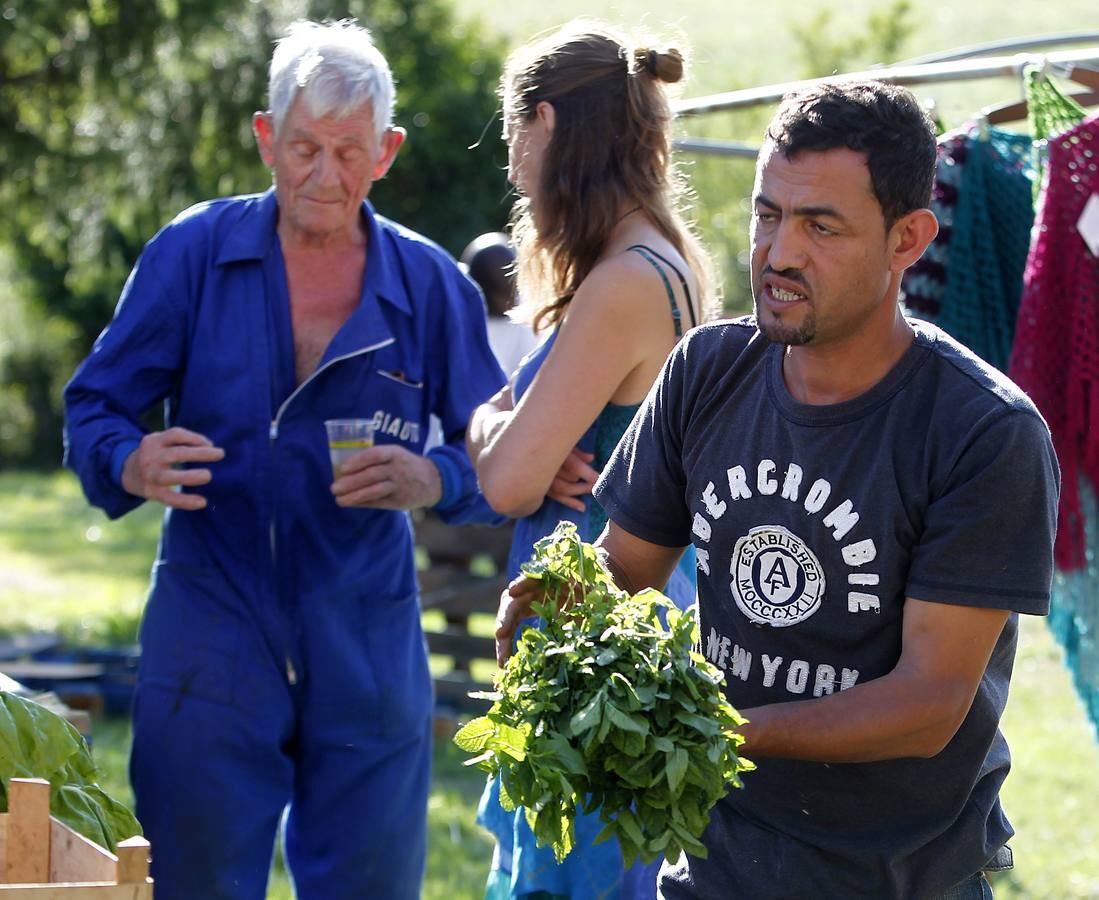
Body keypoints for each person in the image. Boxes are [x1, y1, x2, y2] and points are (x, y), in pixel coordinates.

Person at [496, 81, 1061, 899]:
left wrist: (720, 732)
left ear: (907, 238)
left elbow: (929, 700)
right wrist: (564, 591)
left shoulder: (982, 431)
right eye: (767, 215)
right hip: (719, 850)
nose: (778, 252)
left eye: (820, 226)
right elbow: (626, 570)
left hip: (898, 874)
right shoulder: (705, 370)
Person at [62, 19, 505, 900]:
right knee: (191, 881)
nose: (323, 175)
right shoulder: (192, 253)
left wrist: (436, 478)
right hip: (210, 620)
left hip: (367, 632)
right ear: (267, 138)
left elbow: (499, 451)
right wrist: (129, 461)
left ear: (386, 152)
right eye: (303, 146)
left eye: (348, 152)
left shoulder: (430, 287)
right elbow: (92, 407)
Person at [466, 20, 715, 900]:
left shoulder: (619, 283)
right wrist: (502, 423)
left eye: (511, 143)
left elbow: (503, 480)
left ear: (542, 125)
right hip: (628, 622)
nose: (513, 170)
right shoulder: (670, 257)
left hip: (592, 639)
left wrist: (487, 421)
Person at [461, 232, 538, 378]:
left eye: (511, 290)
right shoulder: (462, 317)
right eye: (499, 292)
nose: (509, 301)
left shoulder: (531, 312)